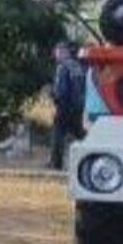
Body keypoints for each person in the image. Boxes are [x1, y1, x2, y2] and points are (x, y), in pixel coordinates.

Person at [49, 42, 87, 170]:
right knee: (79, 133)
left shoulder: (62, 67)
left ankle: (56, 163)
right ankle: (90, 152)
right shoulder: (77, 66)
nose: (56, 55)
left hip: (64, 106)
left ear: (64, 52)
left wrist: (53, 96)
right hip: (78, 106)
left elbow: (61, 90)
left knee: (58, 134)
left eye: (58, 52)